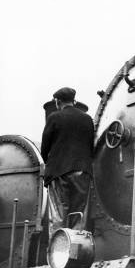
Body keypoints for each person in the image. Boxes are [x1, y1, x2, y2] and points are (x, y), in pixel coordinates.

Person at [41, 87, 94, 234]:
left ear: (57, 101)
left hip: (59, 172)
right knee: (79, 216)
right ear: (73, 101)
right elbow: (91, 147)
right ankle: (77, 252)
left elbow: (45, 148)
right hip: (83, 171)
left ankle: (57, 254)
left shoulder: (54, 117)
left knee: (58, 217)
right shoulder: (87, 119)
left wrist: (49, 164)